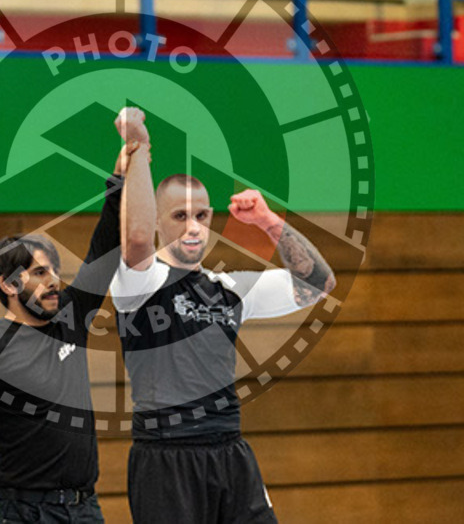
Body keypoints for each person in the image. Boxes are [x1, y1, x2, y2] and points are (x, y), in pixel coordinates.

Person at [110, 110, 337, 524]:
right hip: (166, 458)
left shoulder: (230, 289)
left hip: (230, 450)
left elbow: (318, 283)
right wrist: (139, 147)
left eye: (202, 216)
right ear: (160, 220)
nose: (194, 227)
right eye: (180, 216)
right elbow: (137, 237)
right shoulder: (137, 284)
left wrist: (268, 222)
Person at [0, 110, 143, 524]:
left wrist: (120, 177)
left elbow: (105, 246)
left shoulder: (71, 316)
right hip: (23, 513)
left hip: (85, 509)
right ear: (9, 285)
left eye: (54, 270)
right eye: (39, 273)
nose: (54, 281)